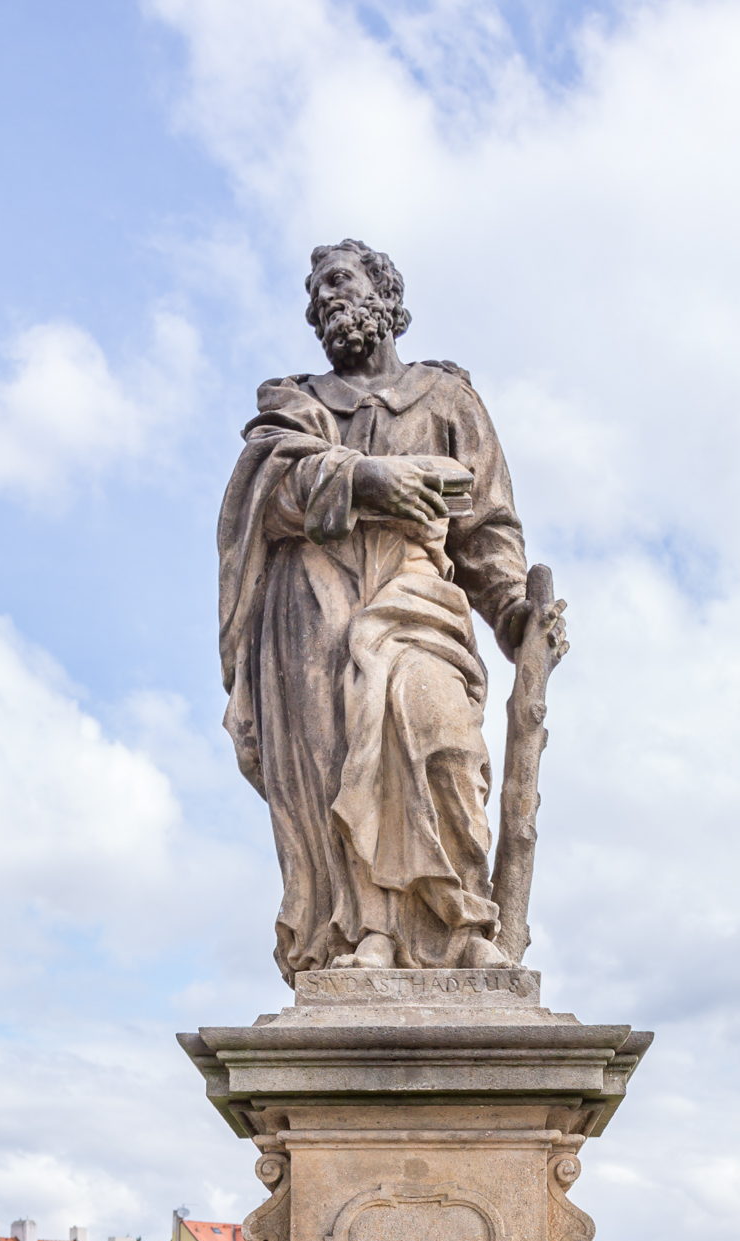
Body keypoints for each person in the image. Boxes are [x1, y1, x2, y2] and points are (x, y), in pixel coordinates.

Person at [218, 240, 541, 982]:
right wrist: (363, 480)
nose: (326, 297)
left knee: (442, 742)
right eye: (315, 290)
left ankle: (458, 927)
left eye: (340, 279)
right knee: (337, 770)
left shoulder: (446, 399)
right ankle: (366, 933)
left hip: (415, 591)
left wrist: (514, 611)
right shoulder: (292, 407)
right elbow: (259, 498)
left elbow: (486, 527)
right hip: (315, 611)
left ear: (385, 295)